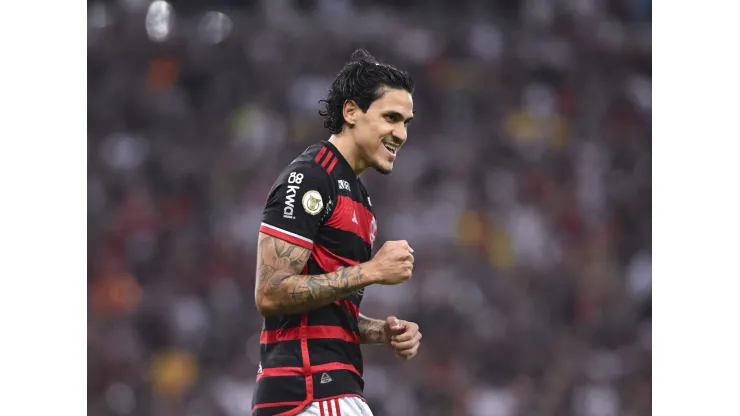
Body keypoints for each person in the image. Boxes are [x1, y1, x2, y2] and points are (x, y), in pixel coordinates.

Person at [252, 49, 421, 416]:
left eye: (406, 122)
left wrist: (379, 331)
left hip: (334, 390)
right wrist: (372, 271)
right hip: (308, 393)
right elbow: (270, 292)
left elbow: (322, 309)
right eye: (391, 118)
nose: (401, 134)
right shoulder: (312, 176)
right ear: (351, 112)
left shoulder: (360, 198)